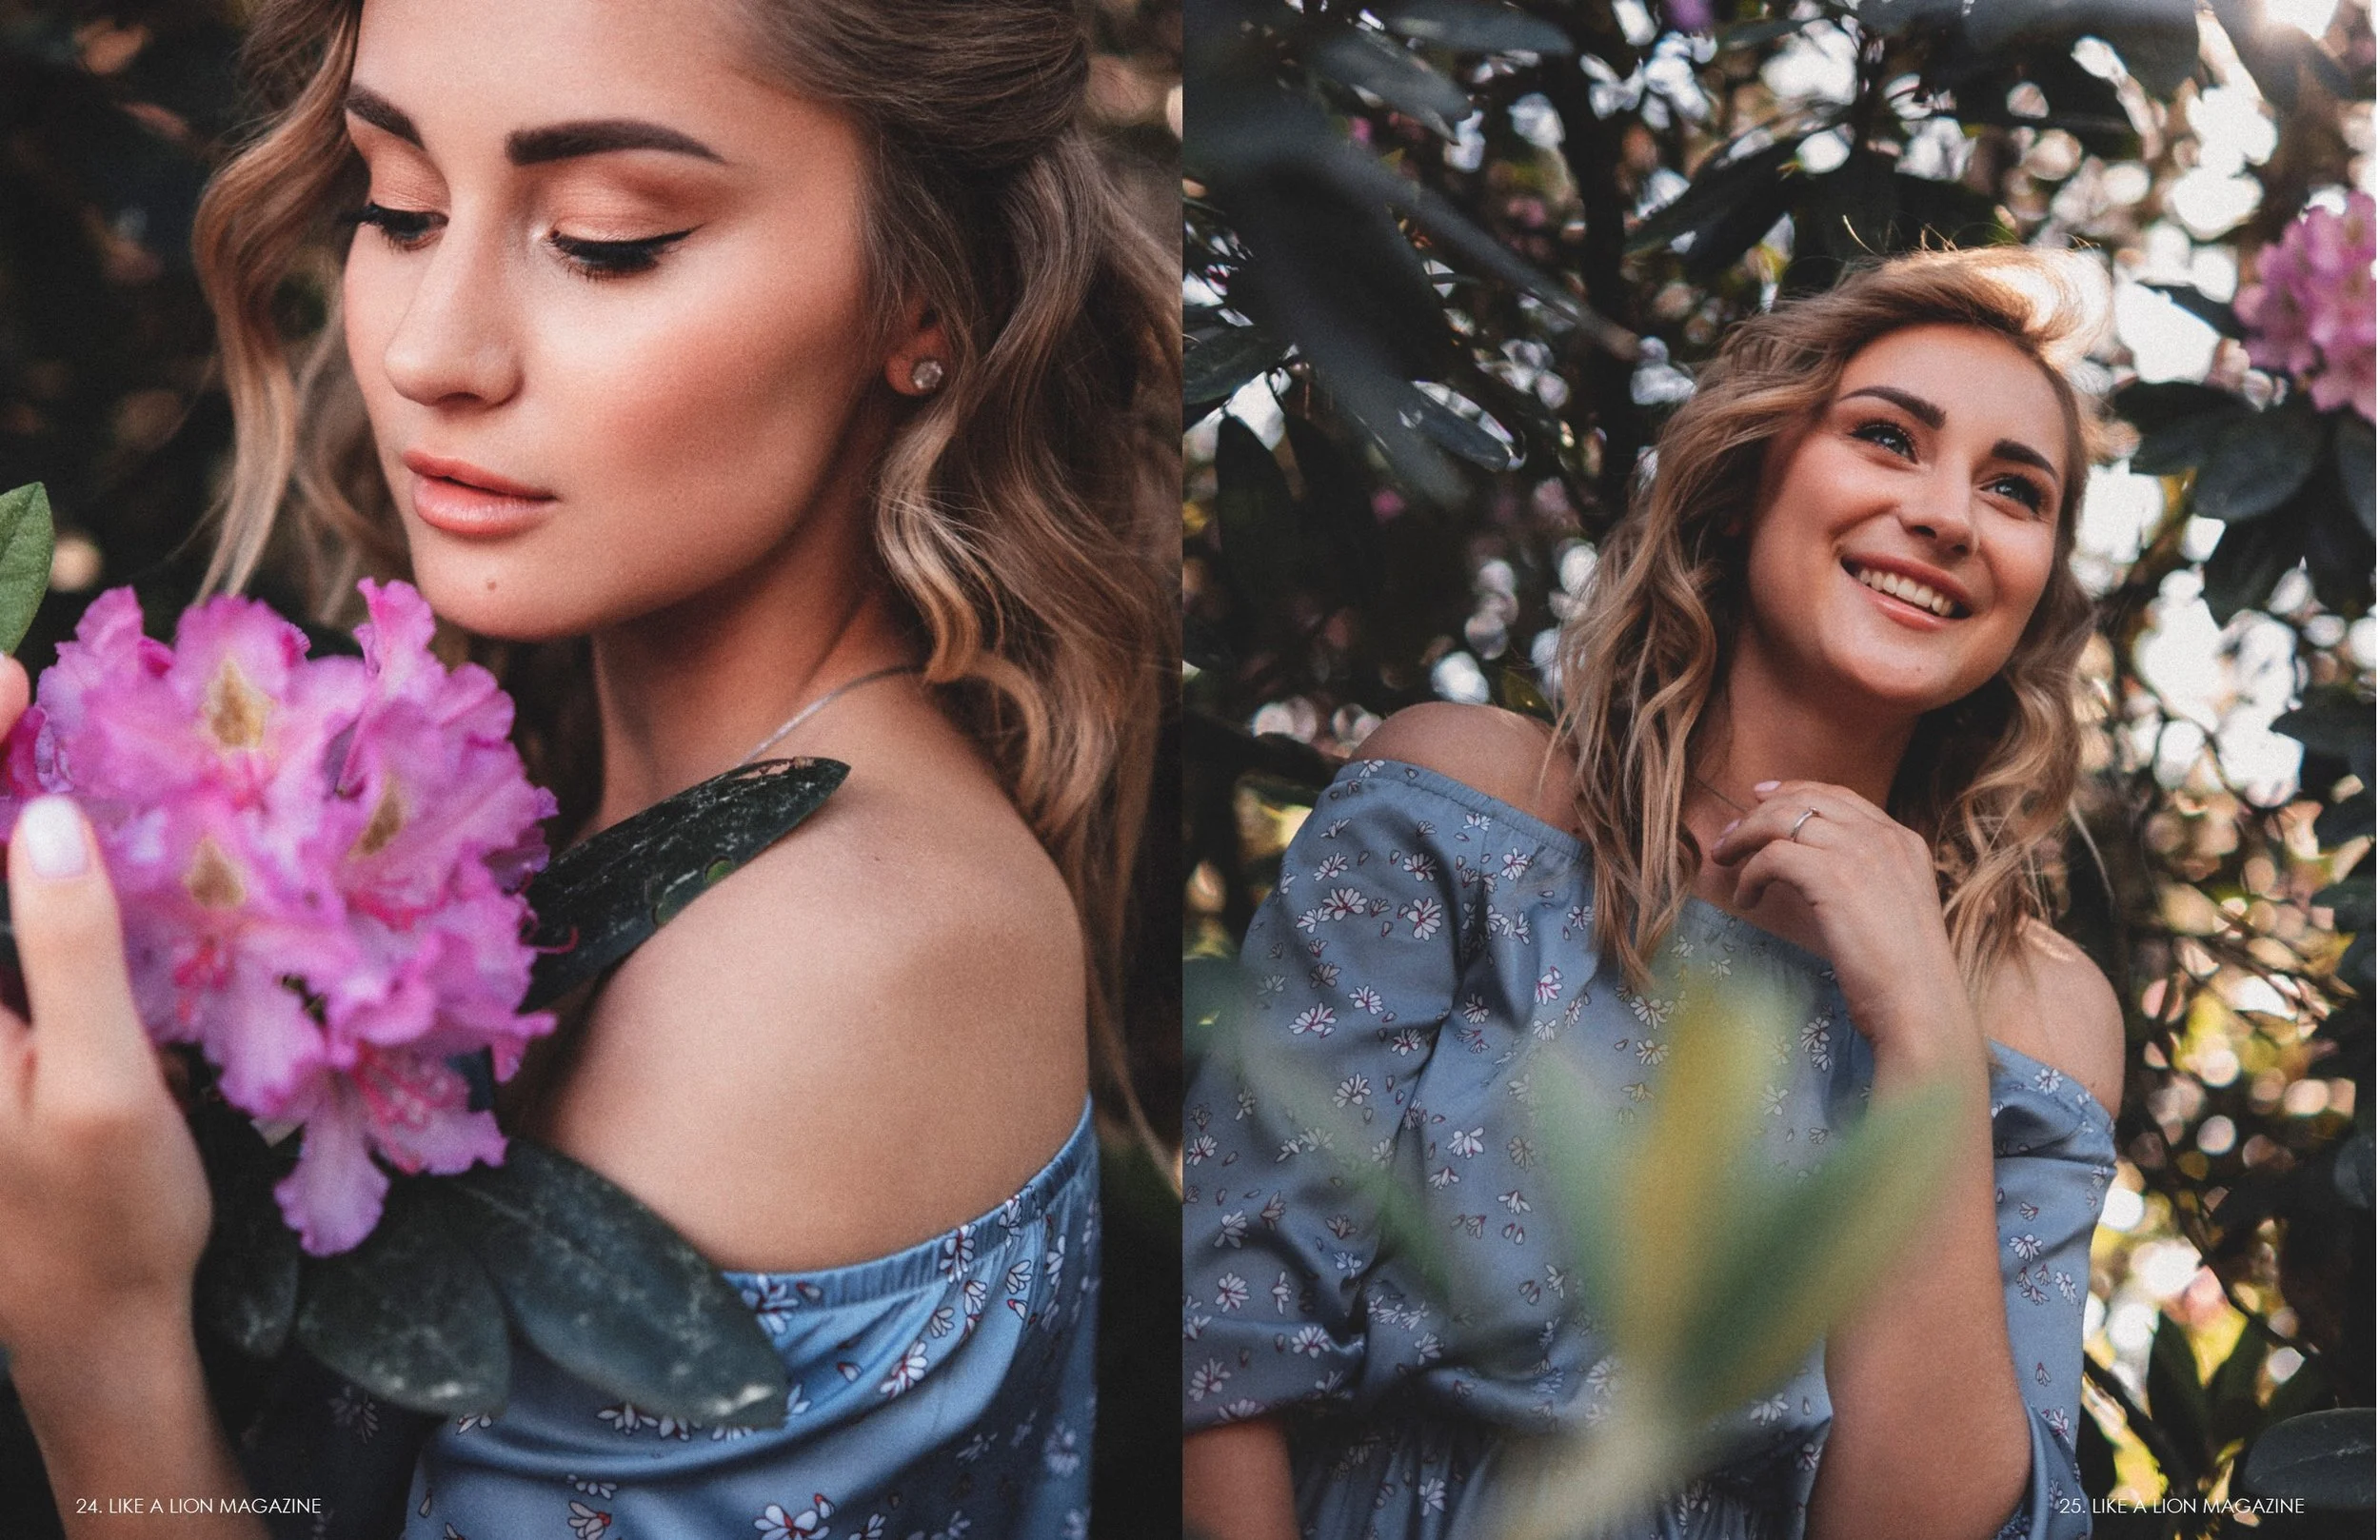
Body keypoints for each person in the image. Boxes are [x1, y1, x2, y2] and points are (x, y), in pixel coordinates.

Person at [0, 0, 1175, 1535]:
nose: (430, 350)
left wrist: (96, 1341)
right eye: (398, 206)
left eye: (610, 239)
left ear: (928, 297)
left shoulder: (820, 955)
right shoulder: (564, 783)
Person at [1181, 248, 2129, 1540]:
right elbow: (1226, 1339)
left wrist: (1924, 1024)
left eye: (2015, 489)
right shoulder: (1465, 806)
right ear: (1748, 486)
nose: (1950, 516)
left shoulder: (2040, 1017)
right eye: (1888, 439)